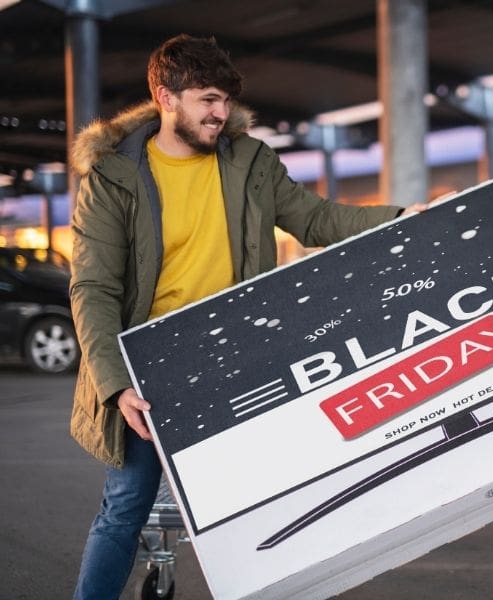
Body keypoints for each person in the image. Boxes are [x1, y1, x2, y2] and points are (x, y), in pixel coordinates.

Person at [68, 33, 426, 599]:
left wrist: (403, 216)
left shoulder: (250, 161)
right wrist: (115, 387)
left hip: (236, 355)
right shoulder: (115, 178)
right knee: (126, 508)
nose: (221, 113)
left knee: (254, 508)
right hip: (148, 367)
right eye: (207, 99)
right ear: (165, 95)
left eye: (226, 100)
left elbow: (315, 220)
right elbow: (93, 289)